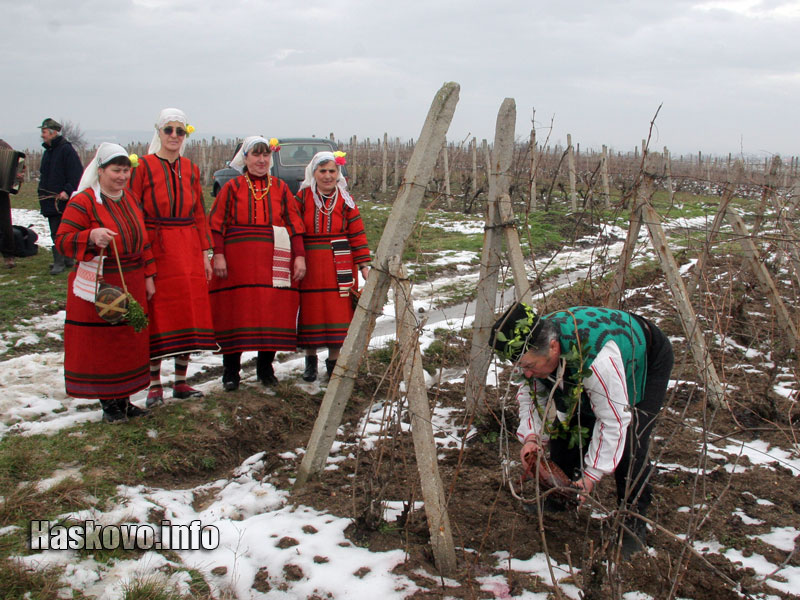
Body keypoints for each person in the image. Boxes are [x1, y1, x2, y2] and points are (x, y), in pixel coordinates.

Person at [489, 303, 674, 558]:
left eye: (529, 365)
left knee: (632, 441)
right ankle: (560, 499)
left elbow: (613, 421)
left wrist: (591, 476)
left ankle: (632, 521)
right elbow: (531, 394)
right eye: (522, 366)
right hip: (590, 367)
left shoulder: (597, 360)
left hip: (645, 356)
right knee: (567, 428)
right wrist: (532, 437)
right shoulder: (537, 346)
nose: (527, 372)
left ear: (553, 348)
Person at [55, 143, 155, 423]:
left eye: (126, 170)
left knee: (127, 340)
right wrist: (90, 235)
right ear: (100, 171)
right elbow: (62, 240)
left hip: (131, 277)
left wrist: (148, 275)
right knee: (105, 342)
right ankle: (109, 405)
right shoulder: (83, 202)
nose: (122, 176)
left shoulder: (131, 198)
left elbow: (143, 238)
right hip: (101, 280)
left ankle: (124, 400)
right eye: (116, 170)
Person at [129, 108, 216, 407]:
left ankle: (181, 381)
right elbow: (135, 211)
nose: (175, 136)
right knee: (160, 313)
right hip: (158, 243)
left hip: (188, 247)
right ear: (159, 132)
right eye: (169, 130)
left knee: (187, 311)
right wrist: (145, 255)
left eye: (181, 131)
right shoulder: (143, 166)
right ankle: (154, 384)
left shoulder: (190, 168)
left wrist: (205, 252)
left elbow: (199, 213)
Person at [208, 136, 306, 390]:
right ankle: (231, 371)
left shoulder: (281, 188)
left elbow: (294, 224)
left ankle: (265, 368)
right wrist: (218, 253)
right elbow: (217, 223)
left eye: (266, 155)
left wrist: (299, 256)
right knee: (236, 311)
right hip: (237, 261)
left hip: (273, 258)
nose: (262, 160)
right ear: (246, 158)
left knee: (270, 310)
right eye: (256, 155)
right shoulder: (232, 187)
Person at [295, 151, 370, 381]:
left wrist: (364, 264)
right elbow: (294, 229)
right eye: (323, 171)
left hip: (340, 264)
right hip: (311, 264)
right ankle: (310, 361)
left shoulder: (346, 200)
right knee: (312, 311)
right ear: (313, 173)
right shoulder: (302, 198)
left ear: (338, 174)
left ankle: (333, 361)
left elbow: (357, 233)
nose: (328, 176)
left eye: (332, 171)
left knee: (338, 312)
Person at [38, 118, 83, 274]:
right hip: (49, 199)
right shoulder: (48, 152)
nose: (42, 135)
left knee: (60, 231)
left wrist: (67, 191)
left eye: (44, 132)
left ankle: (61, 262)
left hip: (62, 201)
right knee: (55, 230)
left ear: (53, 132)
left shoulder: (66, 150)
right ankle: (65, 259)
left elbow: (76, 175)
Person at [0, 138, 24, 268]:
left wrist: (18, 176)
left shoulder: (4, 146)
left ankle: (8, 256)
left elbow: (17, 164)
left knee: (5, 224)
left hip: (1, 193)